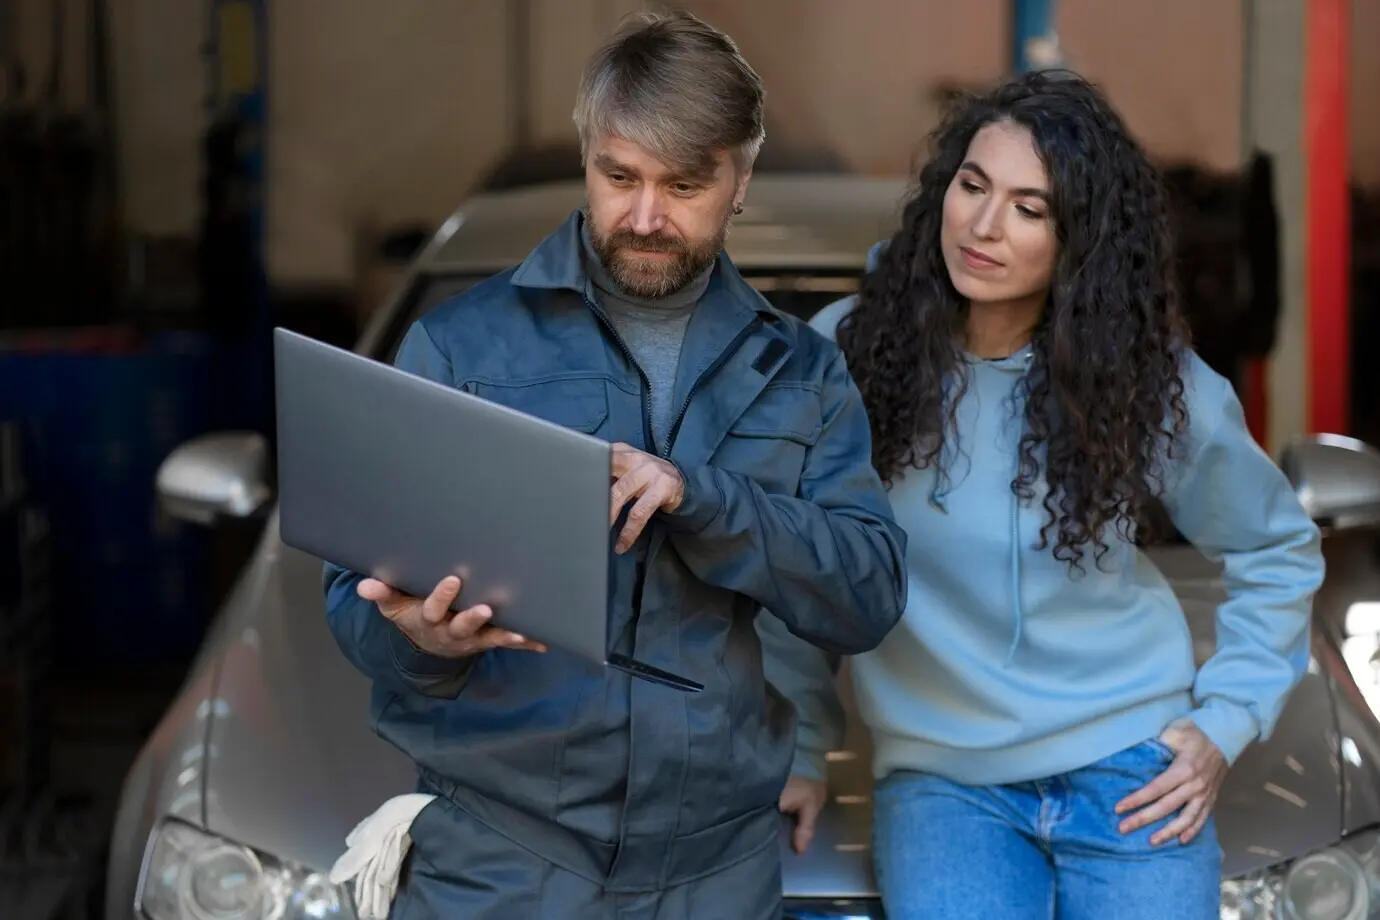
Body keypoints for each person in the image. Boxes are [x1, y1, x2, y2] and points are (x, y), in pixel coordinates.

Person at [320, 10, 908, 920]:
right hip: (500, 862)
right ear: (587, 156)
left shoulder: (800, 370)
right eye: (618, 176)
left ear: (741, 180)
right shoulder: (460, 347)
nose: (643, 217)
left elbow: (867, 593)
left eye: (683, 185)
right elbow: (351, 597)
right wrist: (416, 640)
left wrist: (707, 501)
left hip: (717, 872)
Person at [761, 70, 1325, 919]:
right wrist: (801, 747)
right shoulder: (850, 354)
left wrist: (1224, 723)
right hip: (948, 786)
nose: (984, 226)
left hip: (1134, 772)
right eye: (973, 186)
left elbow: (1276, 548)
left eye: (1031, 209)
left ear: (1081, 240)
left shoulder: (1148, 386)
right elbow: (802, 565)